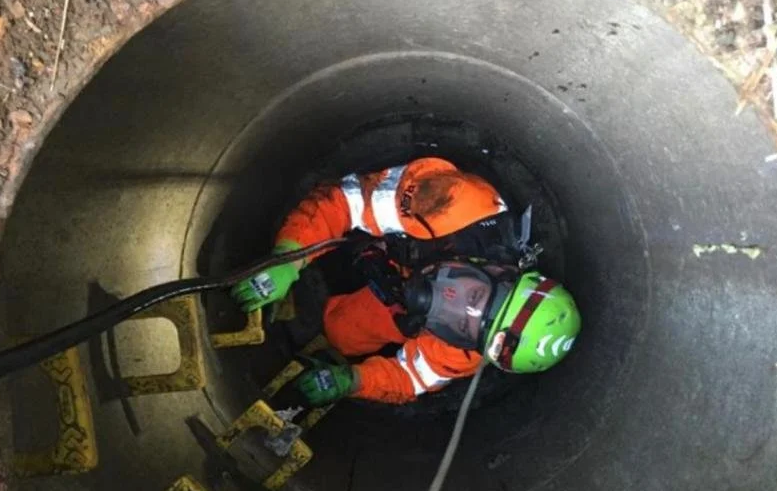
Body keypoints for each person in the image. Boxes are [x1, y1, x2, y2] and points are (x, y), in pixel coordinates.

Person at [231, 157, 580, 405]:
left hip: (403, 278)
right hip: (410, 241)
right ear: (504, 271)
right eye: (474, 295)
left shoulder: (463, 353)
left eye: (464, 327)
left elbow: (410, 378)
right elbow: (344, 201)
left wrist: (353, 382)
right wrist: (289, 259)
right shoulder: (449, 203)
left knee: (341, 332)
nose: (448, 302)